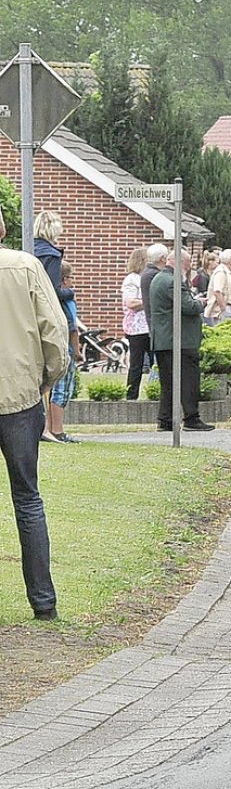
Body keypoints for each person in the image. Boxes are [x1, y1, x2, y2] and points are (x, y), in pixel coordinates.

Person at [0, 210, 68, 621]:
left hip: (22, 393)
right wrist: (45, 379)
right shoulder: (24, 266)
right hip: (20, 396)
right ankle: (43, 603)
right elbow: (55, 329)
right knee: (27, 498)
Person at [149, 248, 214, 433]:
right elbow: (188, 306)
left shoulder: (159, 279)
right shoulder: (173, 282)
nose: (188, 269)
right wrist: (200, 303)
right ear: (179, 263)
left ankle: (165, 419)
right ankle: (191, 419)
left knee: (168, 383)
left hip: (163, 339)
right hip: (179, 341)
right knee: (189, 381)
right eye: (187, 265)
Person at [43, 262, 81, 444]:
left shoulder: (49, 299)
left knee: (50, 388)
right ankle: (57, 430)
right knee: (63, 389)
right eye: (72, 277)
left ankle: (49, 428)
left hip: (51, 345)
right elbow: (72, 327)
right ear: (65, 280)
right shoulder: (67, 301)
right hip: (65, 347)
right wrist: (77, 350)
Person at [122, 247, 154, 399]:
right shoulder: (132, 279)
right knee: (137, 364)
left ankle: (156, 392)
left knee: (157, 362)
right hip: (136, 329)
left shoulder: (148, 277)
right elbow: (130, 303)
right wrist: (149, 302)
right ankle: (131, 395)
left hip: (149, 327)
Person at [31, 211, 71, 315]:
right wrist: (71, 293)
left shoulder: (27, 249)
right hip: (45, 311)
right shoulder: (52, 255)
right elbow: (54, 291)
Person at [207, 249, 231, 326]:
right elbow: (217, 292)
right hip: (225, 309)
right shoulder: (221, 272)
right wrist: (224, 309)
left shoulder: (228, 272)